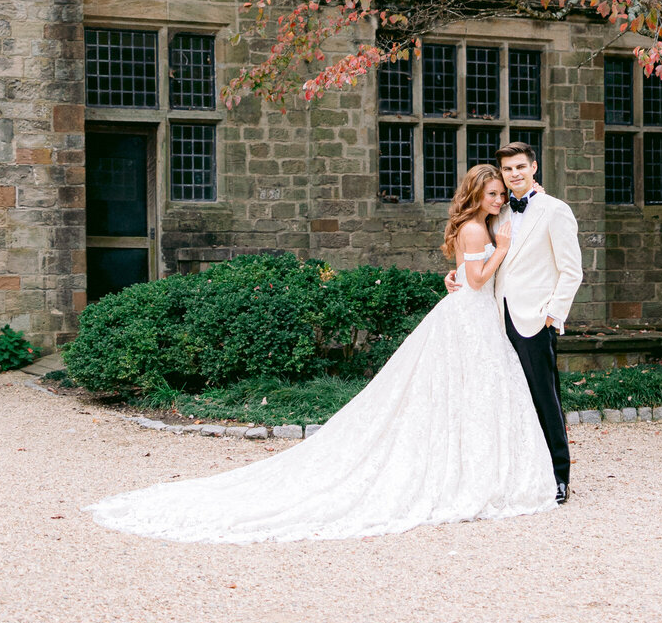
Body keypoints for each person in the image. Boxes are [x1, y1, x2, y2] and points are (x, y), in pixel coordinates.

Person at [86, 164, 557, 544]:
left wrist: (462, 272)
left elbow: (461, 275)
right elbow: (475, 279)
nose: (499, 200)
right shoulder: (479, 230)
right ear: (477, 195)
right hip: (470, 316)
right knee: (467, 392)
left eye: (501, 192)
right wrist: (503, 249)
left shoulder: (474, 226)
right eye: (493, 193)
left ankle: (473, 466)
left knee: (466, 395)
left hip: (471, 317)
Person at [445, 141, 583, 503]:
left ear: (534, 167)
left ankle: (559, 476)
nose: (515, 174)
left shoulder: (555, 210)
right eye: (508, 169)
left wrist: (554, 316)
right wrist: (456, 275)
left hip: (535, 320)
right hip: (493, 317)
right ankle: (523, 471)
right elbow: (479, 259)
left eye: (521, 167)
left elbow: (571, 270)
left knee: (544, 397)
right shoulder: (498, 213)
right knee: (509, 400)